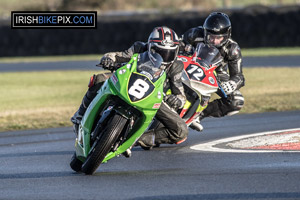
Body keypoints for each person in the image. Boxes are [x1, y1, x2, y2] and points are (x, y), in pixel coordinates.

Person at [71, 26, 188, 149]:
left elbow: (180, 94)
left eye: (169, 53)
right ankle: (80, 116)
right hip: (127, 82)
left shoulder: (176, 66)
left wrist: (177, 100)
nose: (164, 57)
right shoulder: (139, 48)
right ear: (150, 47)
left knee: (181, 130)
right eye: (160, 52)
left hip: (152, 97)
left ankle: (136, 139)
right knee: (99, 79)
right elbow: (117, 55)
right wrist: (108, 59)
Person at [181, 12, 245, 131]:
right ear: (205, 32)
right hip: (189, 65)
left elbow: (239, 76)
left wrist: (232, 84)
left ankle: (198, 115)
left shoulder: (233, 49)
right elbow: (177, 47)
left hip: (216, 74)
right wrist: (184, 50)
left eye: (218, 38)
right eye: (211, 37)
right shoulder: (194, 34)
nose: (214, 41)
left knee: (236, 101)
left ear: (227, 35)